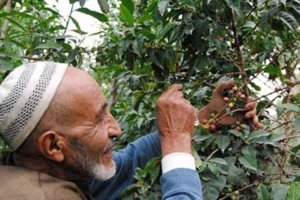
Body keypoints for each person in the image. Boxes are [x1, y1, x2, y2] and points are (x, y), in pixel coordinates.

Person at [0, 62, 263, 199]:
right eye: (99, 119)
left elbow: (125, 165)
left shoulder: (41, 168)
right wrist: (177, 141)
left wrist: (201, 118)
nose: (116, 129)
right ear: (54, 146)